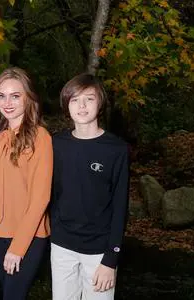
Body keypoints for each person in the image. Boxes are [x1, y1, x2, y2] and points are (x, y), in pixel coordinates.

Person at [50, 73, 129, 300]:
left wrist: (111, 259)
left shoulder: (116, 149)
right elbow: (51, 194)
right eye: (75, 100)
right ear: (67, 105)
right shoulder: (57, 144)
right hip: (62, 247)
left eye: (89, 99)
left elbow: (120, 207)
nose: (82, 106)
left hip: (99, 251)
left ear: (100, 102)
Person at [0, 67, 53, 299]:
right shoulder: (0, 136)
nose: (8, 102)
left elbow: (40, 198)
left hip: (28, 237)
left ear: (29, 98)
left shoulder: (40, 137)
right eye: (1, 96)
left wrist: (18, 247)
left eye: (16, 95)